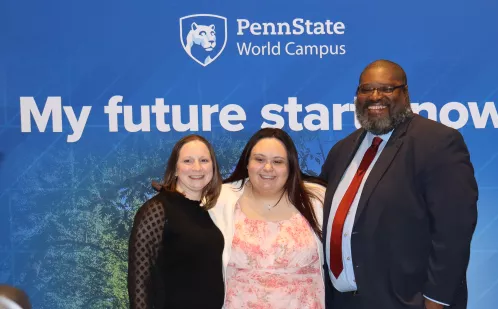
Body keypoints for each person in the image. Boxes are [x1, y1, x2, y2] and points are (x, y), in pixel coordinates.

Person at [320, 60, 478, 309]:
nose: (375, 96)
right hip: (343, 301)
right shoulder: (342, 150)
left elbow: (454, 229)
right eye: (366, 89)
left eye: (386, 88)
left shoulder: (437, 142)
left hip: (408, 301)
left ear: (405, 93)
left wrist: (437, 300)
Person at [212, 128, 326, 309]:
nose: (268, 168)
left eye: (278, 161)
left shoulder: (318, 199)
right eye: (259, 159)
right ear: (247, 162)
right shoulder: (218, 199)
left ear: (290, 166)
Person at [127, 135, 224, 309]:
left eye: (204, 160)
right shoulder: (157, 209)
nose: (197, 167)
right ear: (176, 169)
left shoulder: (207, 212)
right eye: (188, 160)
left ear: (213, 167)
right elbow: (139, 279)